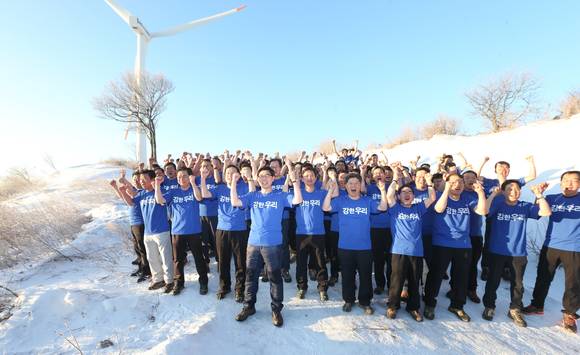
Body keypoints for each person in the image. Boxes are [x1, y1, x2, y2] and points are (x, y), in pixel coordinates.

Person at [231, 158, 303, 327]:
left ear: (273, 178)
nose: (264, 179)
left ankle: (276, 309)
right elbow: (235, 202)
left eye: (267, 176)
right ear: (258, 179)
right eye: (261, 176)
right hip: (253, 243)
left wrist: (294, 181)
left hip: (273, 244)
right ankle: (249, 306)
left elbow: (298, 200)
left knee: (274, 278)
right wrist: (234, 183)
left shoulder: (280, 196)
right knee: (250, 277)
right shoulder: (252, 195)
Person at [481, 180, 551, 327]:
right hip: (497, 251)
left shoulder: (524, 206)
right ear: (503, 191)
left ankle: (514, 309)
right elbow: (484, 210)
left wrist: (539, 194)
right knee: (493, 281)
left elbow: (545, 212)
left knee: (517, 284)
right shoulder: (497, 204)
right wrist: (493, 194)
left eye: (516, 189)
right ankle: (489, 306)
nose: (513, 192)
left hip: (518, 252)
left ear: (520, 191)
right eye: (509, 189)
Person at [423, 173, 487, 322]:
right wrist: (446, 189)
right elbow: (439, 209)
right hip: (442, 243)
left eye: (460, 182)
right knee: (436, 275)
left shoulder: (467, 199)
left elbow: (482, 211)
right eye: (453, 182)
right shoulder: (439, 195)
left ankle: (457, 305)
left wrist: (480, 193)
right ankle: (430, 304)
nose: (457, 185)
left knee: (461, 277)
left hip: (463, 244)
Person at [323, 172, 388, 315]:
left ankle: (365, 302)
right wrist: (329, 191)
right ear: (345, 186)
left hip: (364, 247)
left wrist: (383, 190)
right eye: (350, 183)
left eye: (356, 183)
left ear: (360, 185)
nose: (353, 186)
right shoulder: (340, 200)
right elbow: (326, 208)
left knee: (365, 276)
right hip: (345, 246)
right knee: (347, 275)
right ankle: (349, 300)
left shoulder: (367, 201)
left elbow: (383, 207)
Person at [524, 170, 580, 333]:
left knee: (573, 283)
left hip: (575, 248)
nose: (569, 183)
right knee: (543, 277)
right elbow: (538, 210)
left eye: (574, 180)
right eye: (566, 180)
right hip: (551, 245)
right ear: (561, 183)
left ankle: (569, 314)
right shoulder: (552, 198)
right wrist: (539, 194)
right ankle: (537, 304)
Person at [154, 167, 211, 295]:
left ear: (189, 177)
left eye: (184, 176)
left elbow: (199, 198)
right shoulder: (174, 192)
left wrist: (193, 183)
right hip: (177, 231)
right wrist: (157, 185)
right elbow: (159, 200)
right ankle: (179, 283)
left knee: (198, 258)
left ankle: (203, 282)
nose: (181, 178)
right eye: (179, 177)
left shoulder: (193, 189)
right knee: (178, 260)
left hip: (194, 231)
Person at [385, 179, 436, 322]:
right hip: (398, 250)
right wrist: (395, 179)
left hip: (416, 251)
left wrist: (429, 183)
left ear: (413, 196)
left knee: (415, 280)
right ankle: (392, 306)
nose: (407, 194)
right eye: (403, 192)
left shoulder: (418, 208)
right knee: (397, 280)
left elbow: (432, 197)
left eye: (409, 192)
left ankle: (413, 307)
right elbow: (389, 196)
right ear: (399, 196)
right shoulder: (395, 208)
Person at [118, 170, 175, 292]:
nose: (141, 181)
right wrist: (123, 192)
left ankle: (170, 281)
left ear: (152, 180)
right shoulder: (141, 193)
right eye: (140, 179)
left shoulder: (162, 191)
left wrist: (157, 186)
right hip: (148, 232)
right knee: (152, 258)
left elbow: (161, 201)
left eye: (144, 179)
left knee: (166, 258)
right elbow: (131, 202)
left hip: (161, 231)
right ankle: (158, 279)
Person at [211, 164, 254, 302]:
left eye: (233, 172)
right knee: (223, 261)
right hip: (222, 230)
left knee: (240, 262)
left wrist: (249, 177)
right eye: (227, 173)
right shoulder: (220, 188)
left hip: (240, 230)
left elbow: (253, 192)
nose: (230, 175)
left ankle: (239, 289)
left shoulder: (244, 187)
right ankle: (224, 287)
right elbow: (204, 195)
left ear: (238, 175)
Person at [294, 166, 329, 301]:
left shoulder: (321, 193)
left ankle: (322, 288)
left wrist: (329, 177)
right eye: (306, 176)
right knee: (301, 262)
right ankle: (302, 287)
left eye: (312, 176)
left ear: (316, 178)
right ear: (302, 179)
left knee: (320, 262)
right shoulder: (298, 193)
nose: (309, 178)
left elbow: (335, 194)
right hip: (301, 234)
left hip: (318, 233)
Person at [109, 170, 151, 283]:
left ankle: (147, 272)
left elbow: (129, 190)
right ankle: (142, 268)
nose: (137, 181)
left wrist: (122, 179)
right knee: (137, 248)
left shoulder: (141, 192)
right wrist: (115, 187)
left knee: (143, 249)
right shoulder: (135, 191)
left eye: (139, 179)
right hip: (133, 223)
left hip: (141, 223)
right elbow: (124, 197)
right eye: (135, 179)